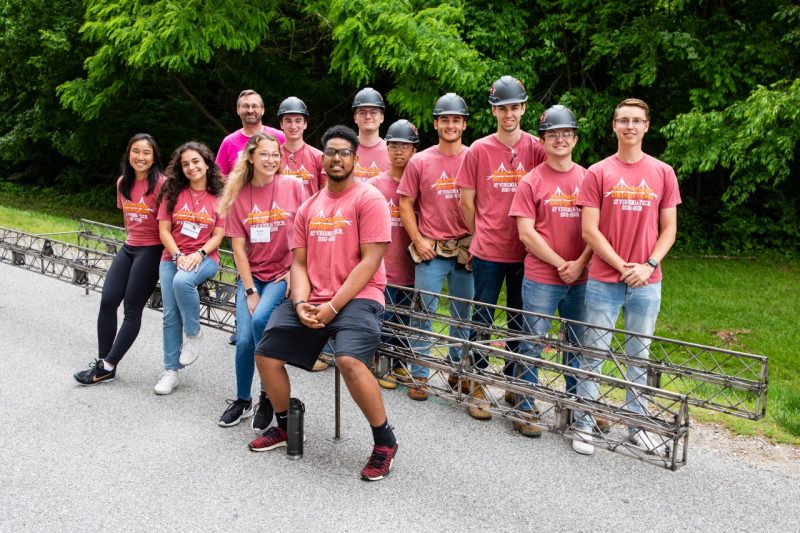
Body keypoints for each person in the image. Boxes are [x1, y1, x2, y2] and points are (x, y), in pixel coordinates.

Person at [249, 125, 397, 482]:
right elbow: (298, 263)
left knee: (348, 360)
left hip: (359, 297)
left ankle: (384, 441)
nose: (336, 158)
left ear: (355, 159)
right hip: (313, 298)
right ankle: (285, 424)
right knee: (266, 354)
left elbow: (370, 261)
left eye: (344, 152)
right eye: (330, 152)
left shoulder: (368, 198)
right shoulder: (308, 208)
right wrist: (300, 303)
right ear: (323, 160)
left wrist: (332, 307)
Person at [575, 98, 681, 455]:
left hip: (647, 281)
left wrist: (648, 265)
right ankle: (585, 423)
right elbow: (590, 230)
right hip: (605, 278)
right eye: (623, 120)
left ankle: (638, 425)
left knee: (639, 356)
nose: (630, 126)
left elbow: (669, 229)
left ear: (647, 126)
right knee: (594, 352)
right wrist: (622, 266)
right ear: (614, 126)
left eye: (637, 121)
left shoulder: (663, 172)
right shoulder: (598, 172)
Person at [456, 76, 546, 420]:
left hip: (527, 251)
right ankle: (478, 383)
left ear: (523, 108)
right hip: (490, 250)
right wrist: (481, 233)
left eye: (514, 107)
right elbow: (467, 201)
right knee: (483, 317)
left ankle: (513, 383)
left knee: (520, 320)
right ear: (493, 111)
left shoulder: (537, 147)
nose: (508, 114)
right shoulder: (479, 149)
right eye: (502, 108)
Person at [508, 105, 591, 439]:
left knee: (578, 344)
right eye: (552, 134)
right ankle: (525, 406)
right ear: (542, 141)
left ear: (574, 138)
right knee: (532, 342)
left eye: (565, 133)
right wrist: (560, 264)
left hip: (581, 277)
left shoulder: (589, 178)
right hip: (543, 276)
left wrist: (580, 263)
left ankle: (576, 406)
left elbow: (598, 229)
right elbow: (526, 233)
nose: (560, 139)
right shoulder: (531, 181)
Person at [216, 132, 308, 428]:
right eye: (265, 154)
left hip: (285, 273)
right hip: (253, 276)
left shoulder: (293, 186)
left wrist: (298, 269)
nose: (271, 160)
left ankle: (267, 394)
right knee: (243, 340)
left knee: (258, 324)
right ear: (251, 157)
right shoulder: (239, 194)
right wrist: (250, 290)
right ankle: (243, 400)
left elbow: (307, 232)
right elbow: (238, 250)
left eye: (276, 155)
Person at [397, 93, 473, 401]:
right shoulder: (421, 160)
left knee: (463, 314)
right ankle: (420, 375)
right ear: (435, 123)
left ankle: (457, 371)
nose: (450, 125)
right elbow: (405, 202)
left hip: (465, 248)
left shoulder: (474, 156)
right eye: (445, 120)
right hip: (431, 250)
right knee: (422, 313)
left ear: (464, 124)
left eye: (456, 120)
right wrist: (418, 239)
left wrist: (477, 241)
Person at [74, 134, 166, 385]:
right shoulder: (122, 183)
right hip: (129, 247)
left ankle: (109, 363)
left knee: (132, 310)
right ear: (128, 154)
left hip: (152, 250)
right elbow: (127, 220)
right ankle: (103, 364)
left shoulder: (162, 185)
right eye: (136, 151)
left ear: (154, 157)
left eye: (146, 153)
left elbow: (168, 225)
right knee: (108, 301)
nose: (141, 157)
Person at [154, 142, 226, 395]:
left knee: (182, 282)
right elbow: (163, 230)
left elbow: (219, 235)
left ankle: (193, 333)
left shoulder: (220, 196)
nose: (191, 167)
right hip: (172, 256)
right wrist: (177, 256)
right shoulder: (172, 192)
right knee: (169, 315)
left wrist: (198, 253)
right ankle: (170, 371)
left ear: (206, 163)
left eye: (196, 161)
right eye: (185, 164)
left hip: (205, 257)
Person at [369, 119, 418, 390]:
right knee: (384, 316)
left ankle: (401, 362)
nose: (399, 151)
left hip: (410, 263)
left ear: (414, 150)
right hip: (383, 265)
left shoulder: (419, 182)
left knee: (404, 318)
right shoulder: (375, 184)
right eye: (394, 146)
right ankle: (383, 362)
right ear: (386, 149)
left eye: (405, 146)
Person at [215, 90, 286, 177]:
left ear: (262, 110)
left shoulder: (280, 137)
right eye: (246, 106)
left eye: (254, 106)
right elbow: (218, 177)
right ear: (238, 110)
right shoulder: (229, 142)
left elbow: (291, 169)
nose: (250, 110)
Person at [277, 96, 326, 197]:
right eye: (288, 121)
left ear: (305, 124)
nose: (293, 126)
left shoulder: (318, 156)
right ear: (281, 124)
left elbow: (325, 194)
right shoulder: (273, 157)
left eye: (298, 121)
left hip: (311, 212)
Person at [352, 87, 390, 181]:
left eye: (373, 112)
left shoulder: (392, 152)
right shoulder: (344, 149)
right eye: (362, 112)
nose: (368, 117)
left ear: (382, 117)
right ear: (355, 118)